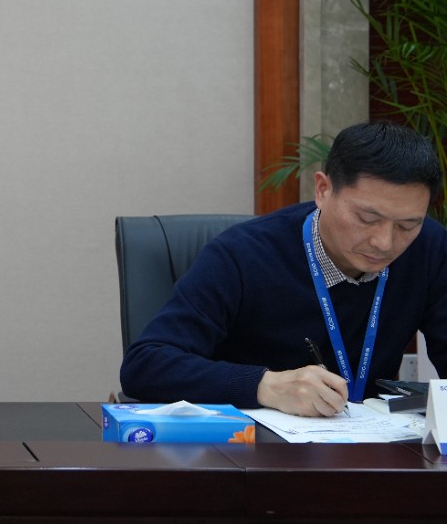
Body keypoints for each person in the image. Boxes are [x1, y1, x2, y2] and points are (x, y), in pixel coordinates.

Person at [121, 121, 446, 417]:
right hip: (250, 448)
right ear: (323, 190)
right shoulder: (242, 254)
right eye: (367, 218)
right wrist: (266, 386)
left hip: (375, 447)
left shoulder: (430, 248)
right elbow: (145, 364)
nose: (384, 243)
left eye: (407, 225)